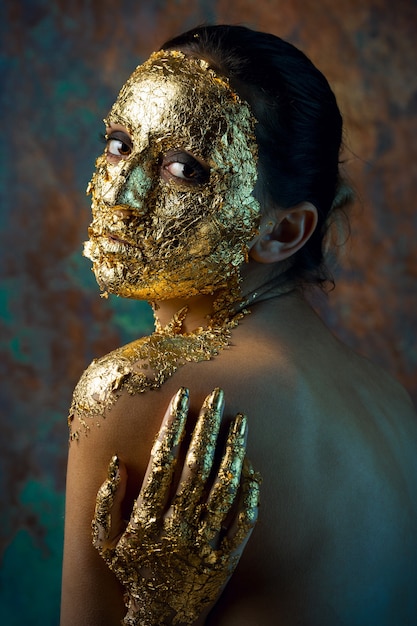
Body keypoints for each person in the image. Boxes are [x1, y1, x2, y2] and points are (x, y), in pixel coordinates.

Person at [60, 25, 417, 626]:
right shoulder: (390, 402)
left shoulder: (136, 393)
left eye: (183, 168)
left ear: (281, 232)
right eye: (120, 142)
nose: (122, 191)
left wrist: (156, 612)